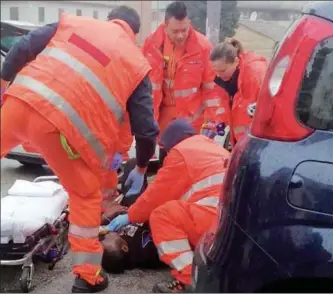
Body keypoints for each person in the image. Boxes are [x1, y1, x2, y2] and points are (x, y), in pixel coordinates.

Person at [0, 5, 159, 293]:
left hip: (18, 103)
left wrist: (2, 87)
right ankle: (87, 276)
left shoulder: (73, 23)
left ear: (111, 20)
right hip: (61, 129)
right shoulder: (135, 62)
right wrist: (143, 166)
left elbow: (22, 48)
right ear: (133, 33)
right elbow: (146, 130)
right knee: (85, 195)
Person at [106, 118, 229, 293]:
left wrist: (130, 216)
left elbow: (157, 195)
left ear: (173, 143)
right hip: (233, 222)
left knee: (162, 216)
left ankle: (190, 279)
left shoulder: (182, 153)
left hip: (216, 222)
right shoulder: (213, 148)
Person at [141, 1, 222, 159]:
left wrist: (213, 121)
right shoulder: (151, 45)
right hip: (162, 119)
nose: (180, 35)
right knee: (166, 163)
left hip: (191, 123)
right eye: (175, 31)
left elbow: (213, 90)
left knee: (189, 164)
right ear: (165, 26)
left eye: (184, 30)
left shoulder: (203, 47)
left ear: (189, 23)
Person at [208, 38, 268, 145]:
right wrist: (219, 122)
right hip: (239, 141)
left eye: (222, 71)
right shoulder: (222, 78)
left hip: (255, 142)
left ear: (236, 61)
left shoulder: (254, 76)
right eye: (215, 71)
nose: (218, 75)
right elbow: (224, 103)